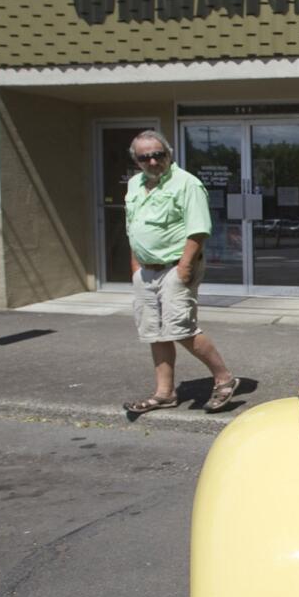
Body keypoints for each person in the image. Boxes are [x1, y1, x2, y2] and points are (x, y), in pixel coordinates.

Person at [123, 130, 239, 414]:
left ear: (168, 154)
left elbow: (198, 229)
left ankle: (224, 379)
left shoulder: (187, 184)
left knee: (181, 328)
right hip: (146, 271)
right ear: (136, 161)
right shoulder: (135, 185)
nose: (151, 161)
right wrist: (136, 266)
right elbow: (133, 227)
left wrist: (184, 268)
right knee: (155, 332)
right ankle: (164, 393)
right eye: (144, 157)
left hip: (175, 267)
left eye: (157, 155)